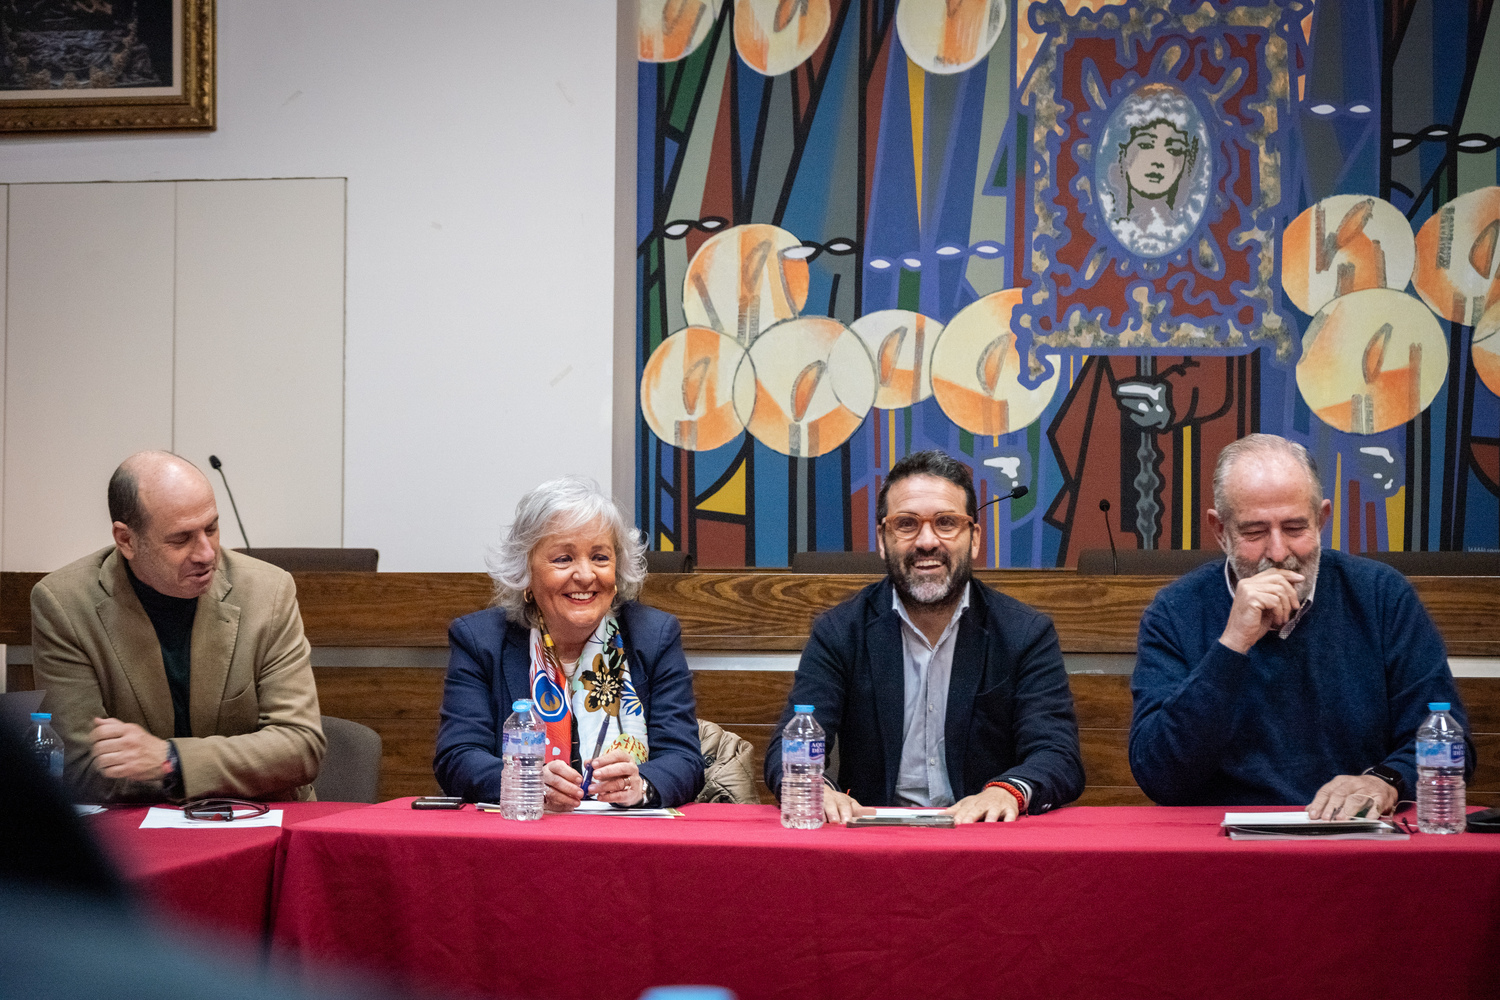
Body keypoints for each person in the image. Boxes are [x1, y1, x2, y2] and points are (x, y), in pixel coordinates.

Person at [1130, 433, 1474, 816]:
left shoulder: (1381, 596)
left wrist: (1386, 780)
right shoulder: (1175, 612)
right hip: (1223, 846)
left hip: (1354, 837)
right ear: (1220, 530)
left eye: (1295, 528)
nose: (1278, 553)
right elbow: (1158, 776)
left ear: (1322, 518)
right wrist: (1232, 645)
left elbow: (1447, 744)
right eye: (1254, 532)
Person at [764, 450, 1085, 823]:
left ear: (974, 538)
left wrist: (1007, 791)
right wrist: (817, 790)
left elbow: (1057, 754)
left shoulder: (1024, 633)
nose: (927, 541)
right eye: (906, 524)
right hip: (873, 843)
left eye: (946, 522)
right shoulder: (840, 632)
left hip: (983, 841)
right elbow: (787, 749)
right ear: (883, 540)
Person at [30, 452, 325, 803]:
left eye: (212, 528)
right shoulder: (65, 604)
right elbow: (78, 766)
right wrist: (245, 762)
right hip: (137, 838)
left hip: (260, 820)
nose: (206, 553)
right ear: (126, 540)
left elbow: (300, 746)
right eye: (180, 539)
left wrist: (171, 762)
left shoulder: (267, 592)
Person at [435, 477, 703, 808]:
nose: (586, 575)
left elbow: (684, 758)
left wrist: (643, 785)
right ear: (526, 574)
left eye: (600, 557)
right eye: (563, 559)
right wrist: (525, 780)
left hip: (627, 839)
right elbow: (457, 757)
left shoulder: (654, 635)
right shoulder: (481, 640)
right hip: (521, 837)